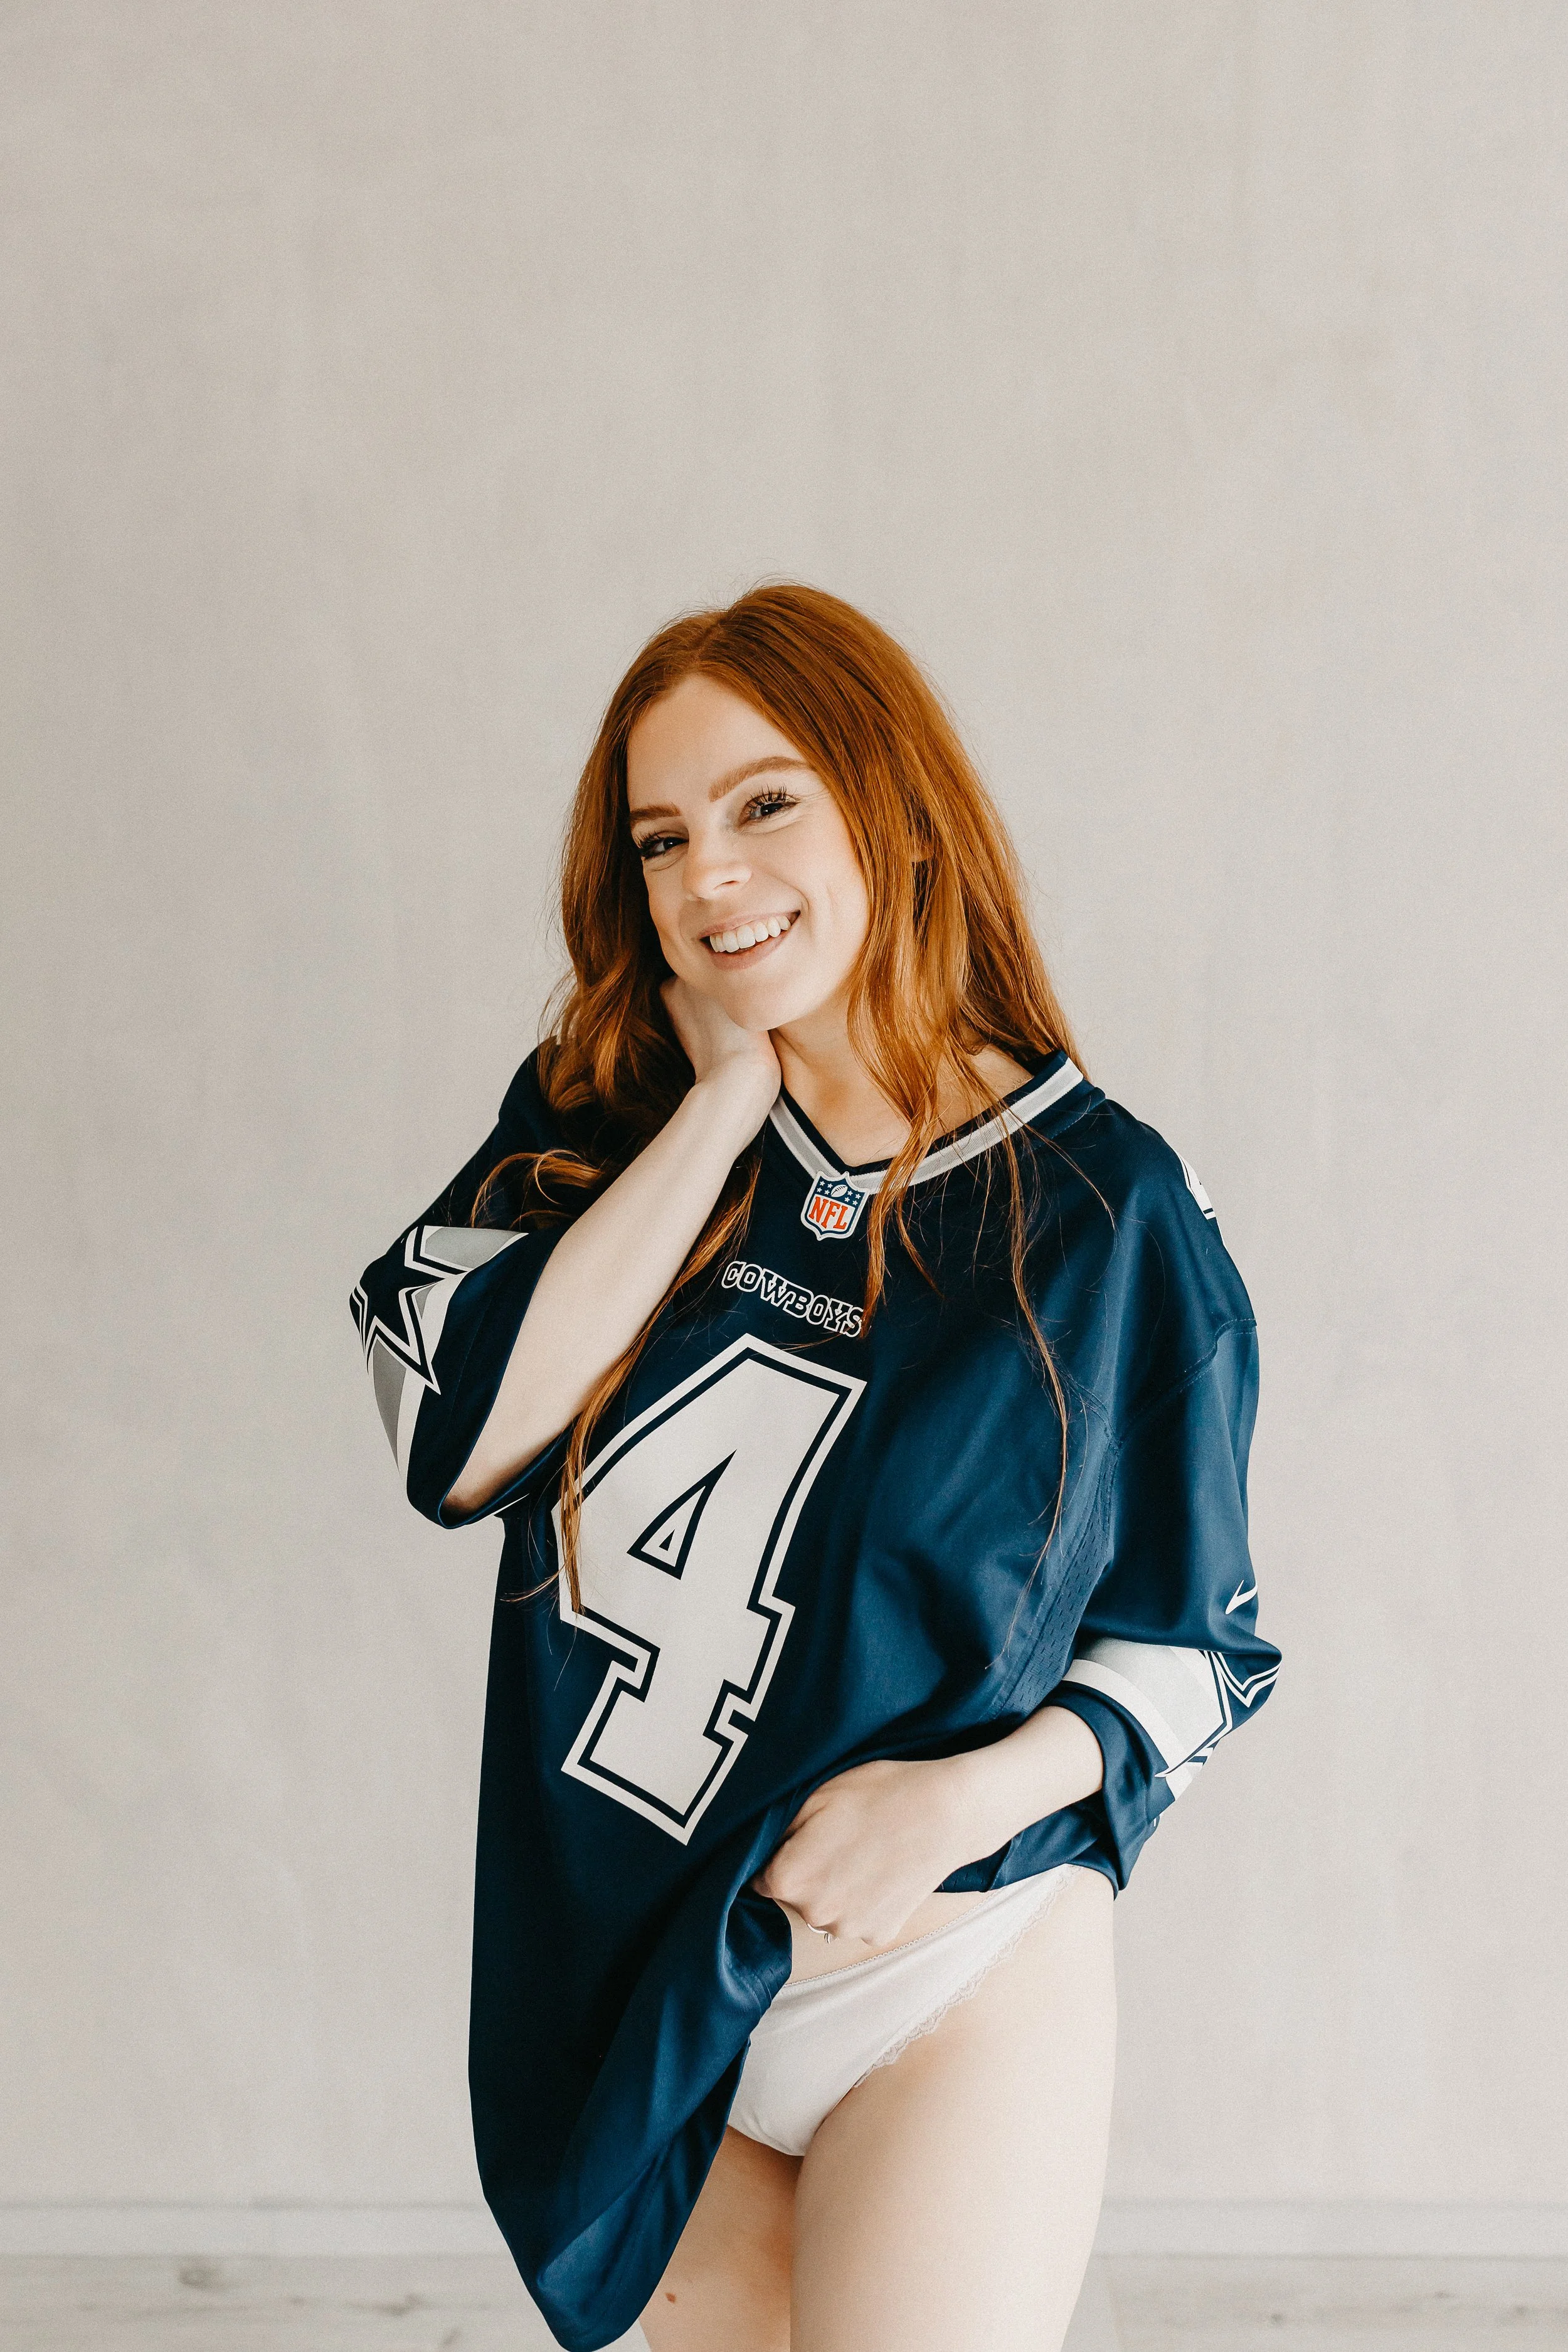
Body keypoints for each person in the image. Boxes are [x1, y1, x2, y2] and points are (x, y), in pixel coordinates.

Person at [350, 584, 1281, 2352]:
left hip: (936, 1972)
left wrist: (956, 1803)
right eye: (661, 838)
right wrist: (710, 1114)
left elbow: (1195, 1648)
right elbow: (455, 1440)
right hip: (633, 1976)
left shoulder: (1103, 1215)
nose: (711, 877)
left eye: (766, 803)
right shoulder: (606, 1107)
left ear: (890, 807)